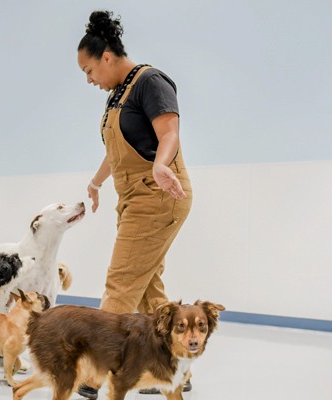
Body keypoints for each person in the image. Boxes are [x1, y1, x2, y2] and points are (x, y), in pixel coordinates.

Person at [75, 10, 193, 399]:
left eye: (90, 70)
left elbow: (169, 132)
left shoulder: (149, 82)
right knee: (147, 291)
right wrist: (95, 183)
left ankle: (94, 375)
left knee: (121, 283)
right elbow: (116, 152)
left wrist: (162, 165)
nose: (89, 80)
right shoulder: (116, 96)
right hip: (134, 199)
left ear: (107, 57)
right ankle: (175, 368)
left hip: (159, 195)